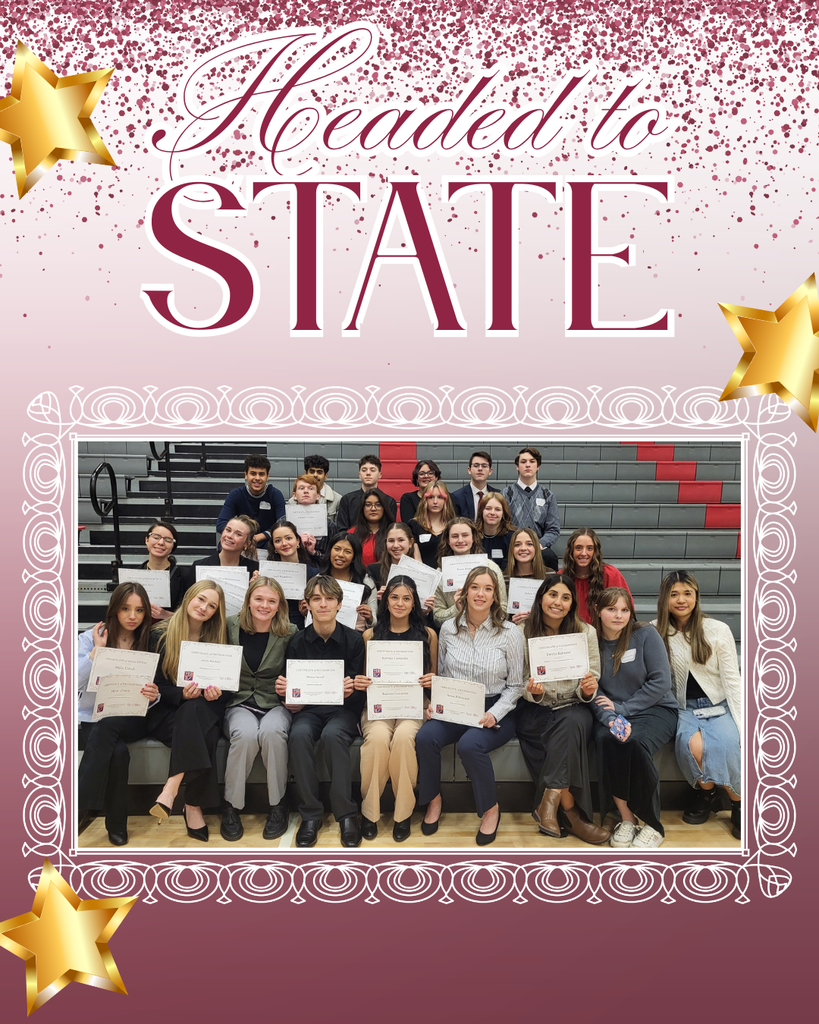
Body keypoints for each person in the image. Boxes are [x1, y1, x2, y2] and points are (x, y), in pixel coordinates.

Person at [416, 567, 524, 845]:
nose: (480, 594)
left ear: (495, 596)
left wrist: (494, 713)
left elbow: (516, 686)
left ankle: (490, 809)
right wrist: (436, 704)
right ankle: (433, 800)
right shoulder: (448, 629)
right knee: (426, 737)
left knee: (469, 744)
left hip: (496, 707)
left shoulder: (510, 632)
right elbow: (443, 675)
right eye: (475, 587)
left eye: (488, 589)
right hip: (456, 704)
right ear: (465, 592)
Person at [516, 576, 610, 844]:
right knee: (565, 734)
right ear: (541, 598)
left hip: (573, 704)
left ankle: (549, 801)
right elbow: (517, 678)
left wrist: (588, 689)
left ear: (572, 604)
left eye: (565, 597)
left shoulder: (585, 632)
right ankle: (572, 814)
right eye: (553, 595)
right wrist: (533, 691)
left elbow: (593, 673)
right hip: (537, 708)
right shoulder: (522, 632)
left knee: (571, 723)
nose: (558, 602)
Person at [276, 575, 366, 848]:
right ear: (307, 604)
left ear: (340, 604)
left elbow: (360, 691)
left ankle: (346, 814)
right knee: (298, 735)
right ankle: (311, 815)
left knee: (332, 736)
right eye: (317, 599)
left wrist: (352, 690)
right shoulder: (297, 641)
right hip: (309, 710)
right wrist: (286, 695)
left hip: (343, 711)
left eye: (329, 599)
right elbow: (291, 691)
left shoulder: (354, 640)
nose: (323, 604)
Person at [653, 570, 741, 839]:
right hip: (683, 706)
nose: (681, 600)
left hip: (718, 703)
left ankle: (739, 802)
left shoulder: (717, 630)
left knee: (728, 743)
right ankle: (707, 793)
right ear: (664, 599)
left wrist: (743, 723)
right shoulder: (655, 631)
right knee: (691, 746)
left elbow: (732, 680)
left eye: (687, 593)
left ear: (696, 596)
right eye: (674, 594)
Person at [592, 587, 678, 849]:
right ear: (598, 611)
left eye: (624, 610)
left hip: (656, 709)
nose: (619, 615)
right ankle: (627, 819)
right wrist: (610, 718)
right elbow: (594, 691)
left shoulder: (645, 634)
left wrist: (624, 709)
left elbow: (661, 681)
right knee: (609, 740)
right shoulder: (591, 642)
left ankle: (653, 824)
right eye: (611, 609)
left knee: (635, 743)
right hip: (615, 713)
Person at [354, 576, 437, 841]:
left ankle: (403, 814)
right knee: (378, 738)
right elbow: (364, 679)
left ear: (414, 603)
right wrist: (361, 682)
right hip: (380, 705)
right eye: (394, 597)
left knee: (403, 738)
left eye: (406, 598)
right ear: (386, 600)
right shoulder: (369, 635)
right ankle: (369, 812)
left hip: (414, 704)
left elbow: (434, 676)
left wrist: (432, 680)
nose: (400, 603)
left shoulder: (428, 635)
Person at [77, 582, 160, 846]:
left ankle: (76, 809)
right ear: (114, 609)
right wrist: (96, 652)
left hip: (134, 717)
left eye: (139, 610)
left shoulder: (151, 641)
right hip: (94, 716)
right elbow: (72, 682)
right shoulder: (90, 637)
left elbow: (158, 691)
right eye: (125, 608)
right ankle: (116, 825)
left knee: (109, 727)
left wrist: (155, 694)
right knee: (119, 753)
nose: (132, 616)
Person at [149, 581, 229, 842]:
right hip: (168, 713)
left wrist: (217, 693)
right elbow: (156, 686)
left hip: (204, 710)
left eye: (212, 606)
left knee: (196, 711)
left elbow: (228, 689)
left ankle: (171, 789)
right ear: (188, 597)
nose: (204, 608)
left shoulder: (217, 638)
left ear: (216, 612)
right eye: (201, 599)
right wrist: (181, 694)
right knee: (202, 726)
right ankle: (192, 805)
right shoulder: (159, 634)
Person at [220, 577, 298, 842]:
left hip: (275, 702)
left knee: (272, 733)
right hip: (239, 701)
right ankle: (231, 806)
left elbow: (298, 672)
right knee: (245, 735)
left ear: (279, 605)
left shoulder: (290, 631)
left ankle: (278, 805)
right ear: (248, 601)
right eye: (259, 599)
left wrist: (290, 685)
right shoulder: (228, 625)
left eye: (271, 601)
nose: (264, 605)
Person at [433, 517, 507, 627]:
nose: (460, 540)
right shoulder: (439, 574)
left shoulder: (491, 568)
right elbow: (437, 619)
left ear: (473, 538)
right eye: (454, 536)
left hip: (490, 630)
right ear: (448, 540)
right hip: (455, 632)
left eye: (465, 535)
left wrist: (482, 616)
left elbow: (503, 609)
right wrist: (457, 609)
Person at [502, 446, 560, 570]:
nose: (527, 465)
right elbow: (502, 526)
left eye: (532, 461)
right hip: (513, 546)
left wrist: (539, 544)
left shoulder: (548, 495)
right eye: (523, 462)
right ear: (517, 466)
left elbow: (553, 529)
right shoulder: (506, 494)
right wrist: (516, 544)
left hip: (538, 547)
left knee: (550, 557)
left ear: (538, 466)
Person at [561, 527, 631, 625]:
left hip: (604, 630)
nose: (583, 553)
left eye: (589, 548)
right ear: (571, 551)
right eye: (578, 548)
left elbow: (626, 608)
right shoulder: (561, 576)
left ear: (595, 551)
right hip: (570, 630)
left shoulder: (610, 574)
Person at [215, 454, 285, 549]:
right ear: (246, 475)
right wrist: (241, 536)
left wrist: (259, 537)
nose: (257, 478)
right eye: (253, 473)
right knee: (223, 545)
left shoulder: (275, 495)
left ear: (267, 476)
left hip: (267, 542)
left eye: (261, 474)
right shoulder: (236, 494)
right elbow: (221, 523)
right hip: (242, 540)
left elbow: (282, 524)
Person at [320, 532, 378, 631]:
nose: (340, 555)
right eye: (337, 549)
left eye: (347, 552)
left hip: (356, 634)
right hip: (324, 632)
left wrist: (369, 617)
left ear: (354, 557)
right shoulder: (318, 580)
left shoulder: (365, 581)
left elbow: (374, 622)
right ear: (330, 551)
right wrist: (306, 612)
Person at [184, 515, 260, 589]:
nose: (230, 536)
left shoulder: (255, 570)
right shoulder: (199, 566)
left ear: (247, 543)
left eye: (238, 534)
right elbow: (189, 596)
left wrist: (253, 588)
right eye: (228, 530)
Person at [268, 519, 319, 629]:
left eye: (288, 538)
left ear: (298, 540)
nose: (284, 543)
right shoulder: (267, 573)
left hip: (301, 629)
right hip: (271, 626)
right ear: (274, 546)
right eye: (278, 540)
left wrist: (309, 611)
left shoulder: (313, 574)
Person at [336, 454, 397, 529]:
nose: (368, 473)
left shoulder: (389, 501)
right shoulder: (347, 500)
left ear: (380, 475)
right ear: (359, 475)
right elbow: (342, 530)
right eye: (364, 470)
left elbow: (390, 530)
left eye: (372, 470)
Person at [139, 520, 185, 620]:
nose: (161, 543)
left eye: (168, 540)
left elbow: (190, 614)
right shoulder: (134, 575)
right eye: (156, 537)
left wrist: (166, 615)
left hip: (171, 628)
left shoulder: (185, 576)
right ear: (147, 540)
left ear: (173, 546)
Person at [409, 480, 456, 568]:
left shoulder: (454, 525)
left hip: (450, 572)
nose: (435, 501)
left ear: (446, 500)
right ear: (425, 500)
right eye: (431, 497)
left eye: (440, 497)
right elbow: (416, 559)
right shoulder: (414, 525)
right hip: (423, 572)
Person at [367, 521, 423, 591]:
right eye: (391, 541)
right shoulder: (373, 570)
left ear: (410, 543)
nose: (396, 545)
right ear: (386, 543)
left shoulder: (421, 572)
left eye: (401, 540)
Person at [347, 486, 396, 566]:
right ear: (362, 508)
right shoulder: (351, 534)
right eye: (368, 505)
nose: (373, 509)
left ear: (384, 508)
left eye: (378, 505)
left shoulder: (393, 533)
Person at [450, 451, 500, 519]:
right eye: (476, 466)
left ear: (490, 471)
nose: (480, 469)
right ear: (469, 470)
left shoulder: (498, 495)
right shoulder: (457, 497)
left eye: (484, 466)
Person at [476, 492, 514, 572]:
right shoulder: (473, 536)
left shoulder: (512, 537)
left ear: (503, 513)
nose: (492, 513)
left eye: (497, 509)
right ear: (481, 511)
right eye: (488, 508)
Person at [399, 459, 441, 524]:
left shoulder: (447, 497)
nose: (426, 476)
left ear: (436, 477)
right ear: (416, 478)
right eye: (421, 474)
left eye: (430, 473)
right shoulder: (408, 498)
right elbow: (409, 524)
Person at [304, 454, 342, 522]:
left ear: (326, 475)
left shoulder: (337, 500)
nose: (315, 475)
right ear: (305, 473)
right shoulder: (293, 501)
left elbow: (338, 527)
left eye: (319, 472)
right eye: (312, 471)